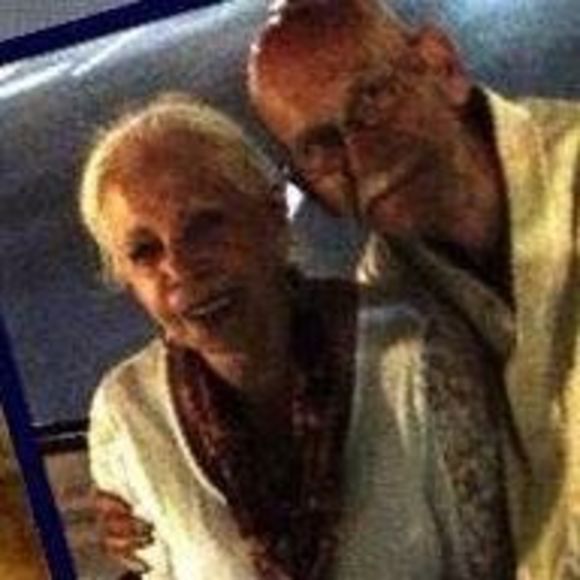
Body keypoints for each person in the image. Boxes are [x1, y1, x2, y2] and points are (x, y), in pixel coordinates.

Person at [81, 94, 514, 578]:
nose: (180, 267)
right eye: (144, 252)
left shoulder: (417, 356)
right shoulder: (127, 415)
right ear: (124, 277)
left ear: (272, 216)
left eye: (204, 225)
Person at [247, 0, 580, 578]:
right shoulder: (386, 299)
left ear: (443, 67)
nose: (362, 157)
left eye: (372, 100)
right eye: (321, 147)